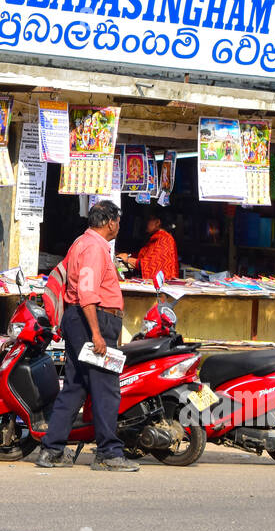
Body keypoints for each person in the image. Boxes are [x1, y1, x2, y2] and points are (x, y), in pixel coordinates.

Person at [37, 200, 138, 472]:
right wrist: (97, 334)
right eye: (117, 221)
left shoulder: (81, 242)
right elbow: (87, 293)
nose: (118, 226)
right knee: (106, 388)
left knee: (76, 386)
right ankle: (108, 453)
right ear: (109, 222)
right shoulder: (94, 247)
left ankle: (53, 449)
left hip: (80, 320)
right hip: (94, 320)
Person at [119, 213, 179, 284]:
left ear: (157, 222)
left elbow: (150, 265)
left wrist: (127, 259)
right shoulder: (155, 238)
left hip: (163, 285)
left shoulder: (164, 239)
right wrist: (127, 256)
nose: (146, 222)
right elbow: (144, 256)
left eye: (149, 219)